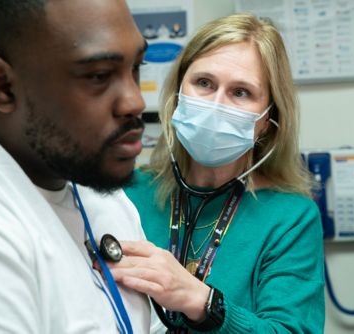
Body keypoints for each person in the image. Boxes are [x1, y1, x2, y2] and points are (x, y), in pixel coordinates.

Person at [0, 0, 152, 333]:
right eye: (99, 76)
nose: (135, 101)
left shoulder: (82, 169)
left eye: (136, 67)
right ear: (1, 86)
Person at [112, 13, 325, 333]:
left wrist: (203, 303)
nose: (215, 105)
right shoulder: (123, 193)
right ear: (178, 93)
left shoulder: (290, 218)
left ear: (267, 119)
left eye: (241, 92)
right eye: (204, 83)